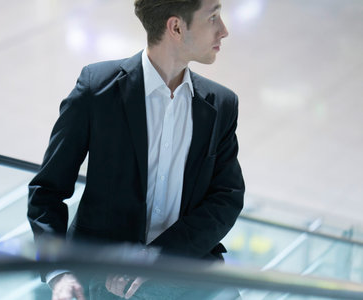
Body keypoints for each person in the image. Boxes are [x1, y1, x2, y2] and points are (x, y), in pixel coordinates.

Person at [28, 0, 245, 299]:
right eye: (213, 17)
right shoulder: (97, 90)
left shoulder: (221, 105)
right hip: (104, 278)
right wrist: (59, 273)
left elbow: (227, 198)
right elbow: (47, 191)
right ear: (176, 27)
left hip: (184, 267)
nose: (224, 30)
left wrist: (158, 255)